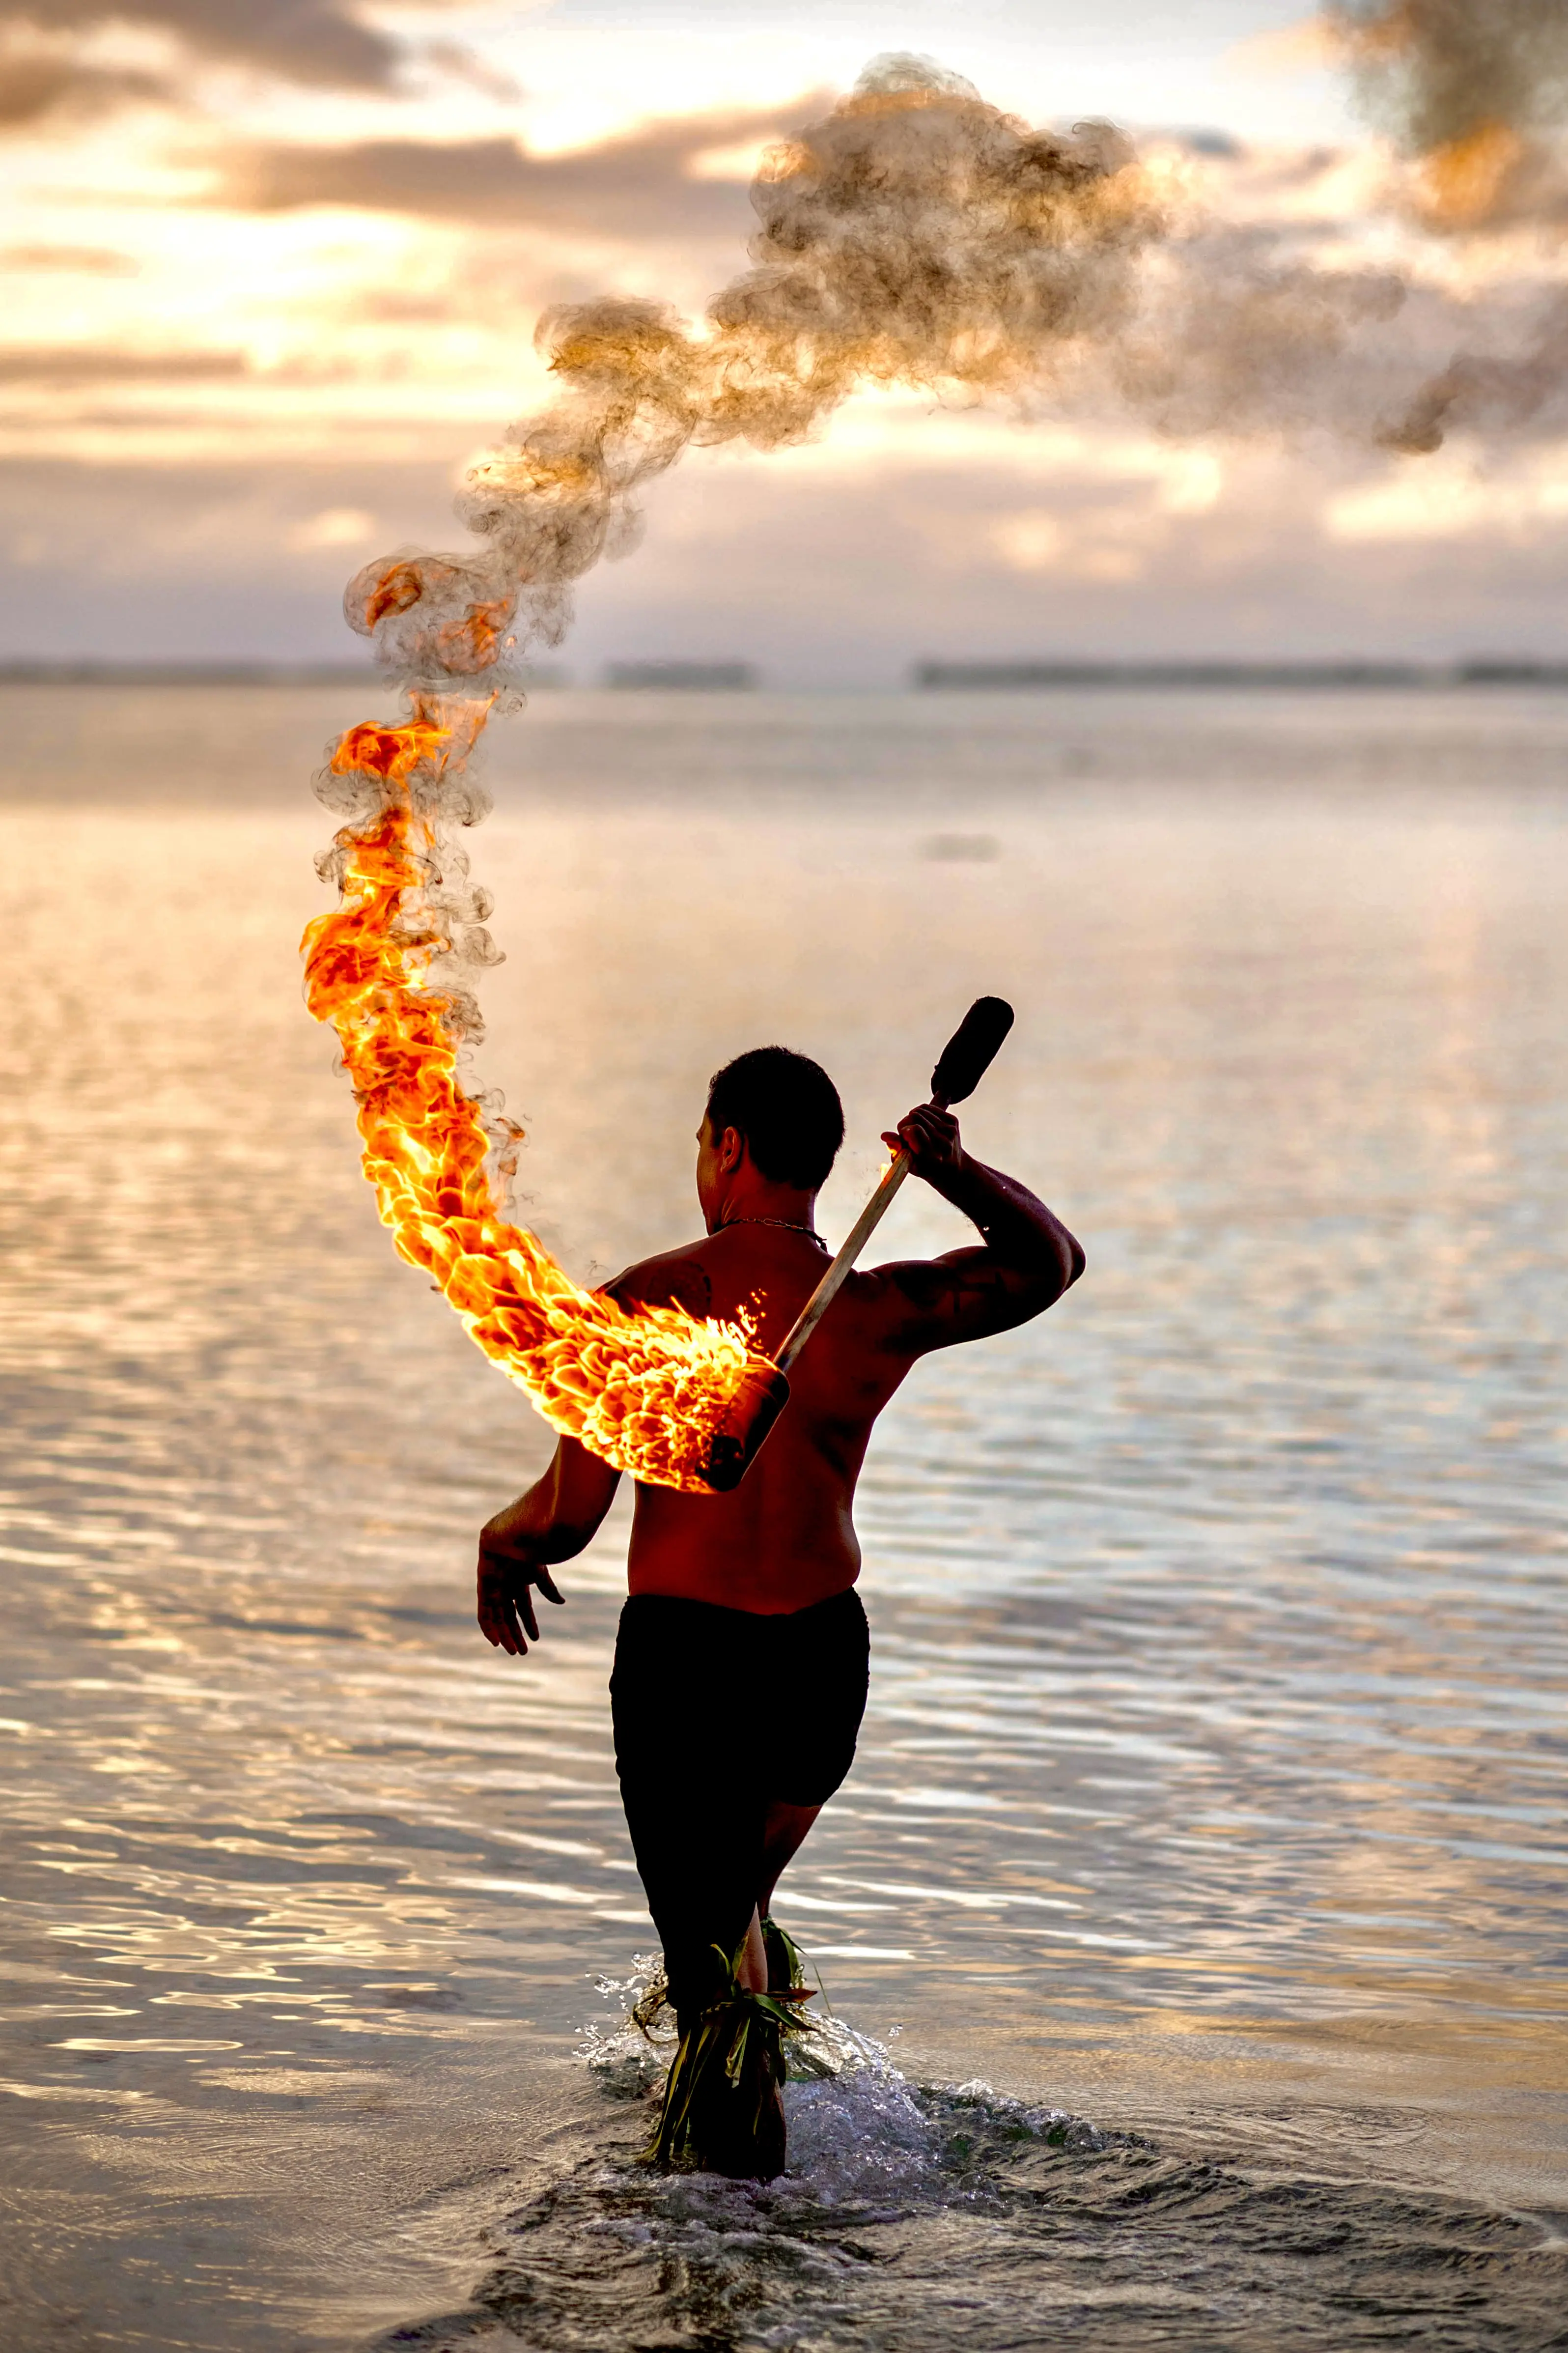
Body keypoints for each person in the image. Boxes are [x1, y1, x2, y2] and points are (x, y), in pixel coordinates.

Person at [476, 1045, 1084, 2177]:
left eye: (702, 1147)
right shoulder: (874, 1311)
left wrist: (499, 1540)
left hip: (687, 1669)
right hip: (818, 1663)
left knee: (710, 1990)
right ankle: (748, 2198)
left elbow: (564, 1519)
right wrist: (957, 1173)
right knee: (736, 1922)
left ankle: (734, 2256)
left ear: (730, 1146)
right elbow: (1048, 1264)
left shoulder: (643, 1303)